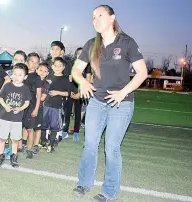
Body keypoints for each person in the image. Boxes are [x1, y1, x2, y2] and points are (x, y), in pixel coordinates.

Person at [71, 5, 147, 201]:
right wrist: (83, 81)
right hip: (97, 101)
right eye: (93, 17)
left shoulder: (127, 42)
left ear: (112, 17)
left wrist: (123, 93)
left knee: (111, 148)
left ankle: (109, 191)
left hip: (121, 103)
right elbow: (76, 71)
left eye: (100, 15)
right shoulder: (91, 44)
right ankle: (84, 183)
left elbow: (142, 73)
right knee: (90, 144)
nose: (95, 20)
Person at [0, 63, 31, 167]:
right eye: (15, 74)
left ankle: (13, 156)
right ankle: (0, 155)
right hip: (4, 118)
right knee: (2, 138)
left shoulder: (25, 89)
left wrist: (20, 108)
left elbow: (27, 103)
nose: (17, 77)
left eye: (20, 75)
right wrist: (5, 106)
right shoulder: (7, 85)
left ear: (25, 77)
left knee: (15, 139)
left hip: (17, 119)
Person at [41, 57, 73, 152]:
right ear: (52, 66)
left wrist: (57, 92)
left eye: (60, 66)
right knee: (43, 125)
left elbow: (68, 93)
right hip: (46, 104)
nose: (57, 67)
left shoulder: (65, 79)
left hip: (57, 106)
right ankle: (42, 142)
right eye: (55, 65)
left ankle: (51, 144)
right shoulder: (48, 76)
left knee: (54, 126)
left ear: (63, 67)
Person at [21, 52, 42, 159]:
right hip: (21, 107)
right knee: (23, 127)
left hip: (32, 107)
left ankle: (29, 148)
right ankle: (22, 145)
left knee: (30, 129)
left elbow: (39, 95)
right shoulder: (22, 75)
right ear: (27, 62)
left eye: (36, 62)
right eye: (31, 62)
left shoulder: (37, 78)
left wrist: (36, 109)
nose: (34, 64)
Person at [33, 62, 50, 153]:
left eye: (45, 71)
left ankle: (36, 145)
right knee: (27, 127)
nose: (42, 72)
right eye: (40, 70)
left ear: (47, 73)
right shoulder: (32, 80)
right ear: (36, 70)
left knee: (38, 128)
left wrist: (33, 97)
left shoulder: (46, 84)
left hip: (39, 108)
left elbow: (42, 97)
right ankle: (25, 144)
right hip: (28, 108)